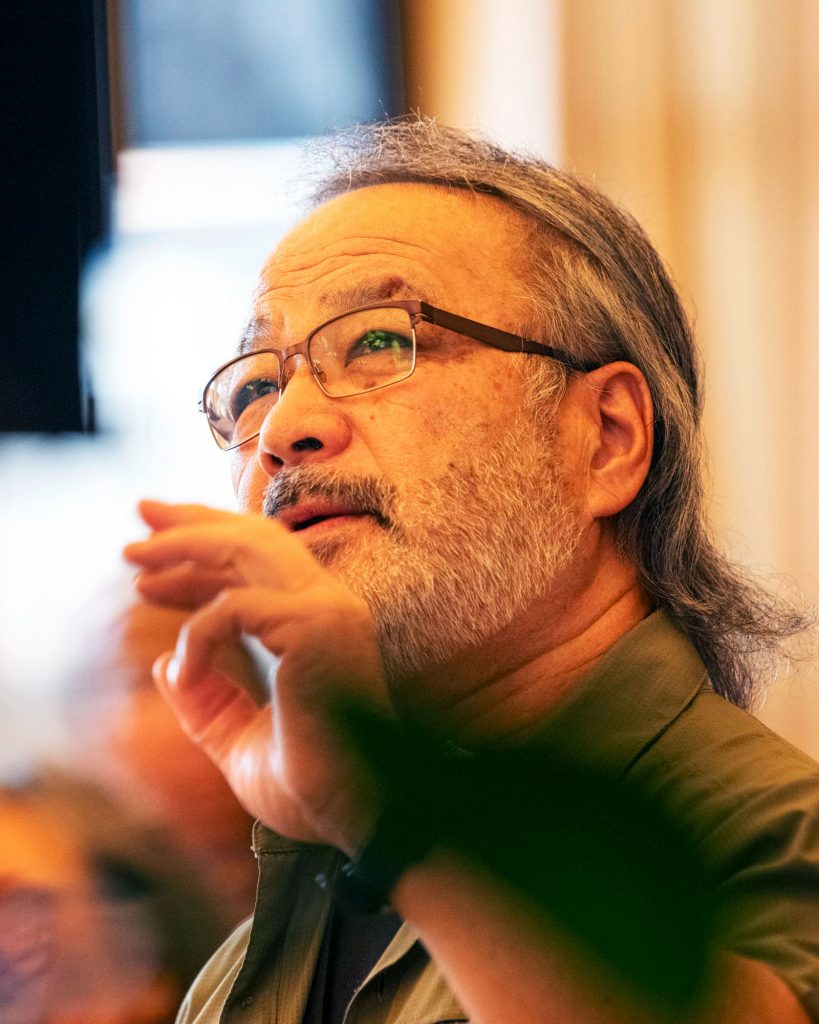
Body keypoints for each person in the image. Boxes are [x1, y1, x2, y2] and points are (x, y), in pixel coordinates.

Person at [124, 119, 819, 1023]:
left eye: (378, 343)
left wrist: (389, 809)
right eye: (257, 385)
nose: (285, 427)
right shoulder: (258, 943)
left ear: (604, 439)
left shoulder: (767, 839)